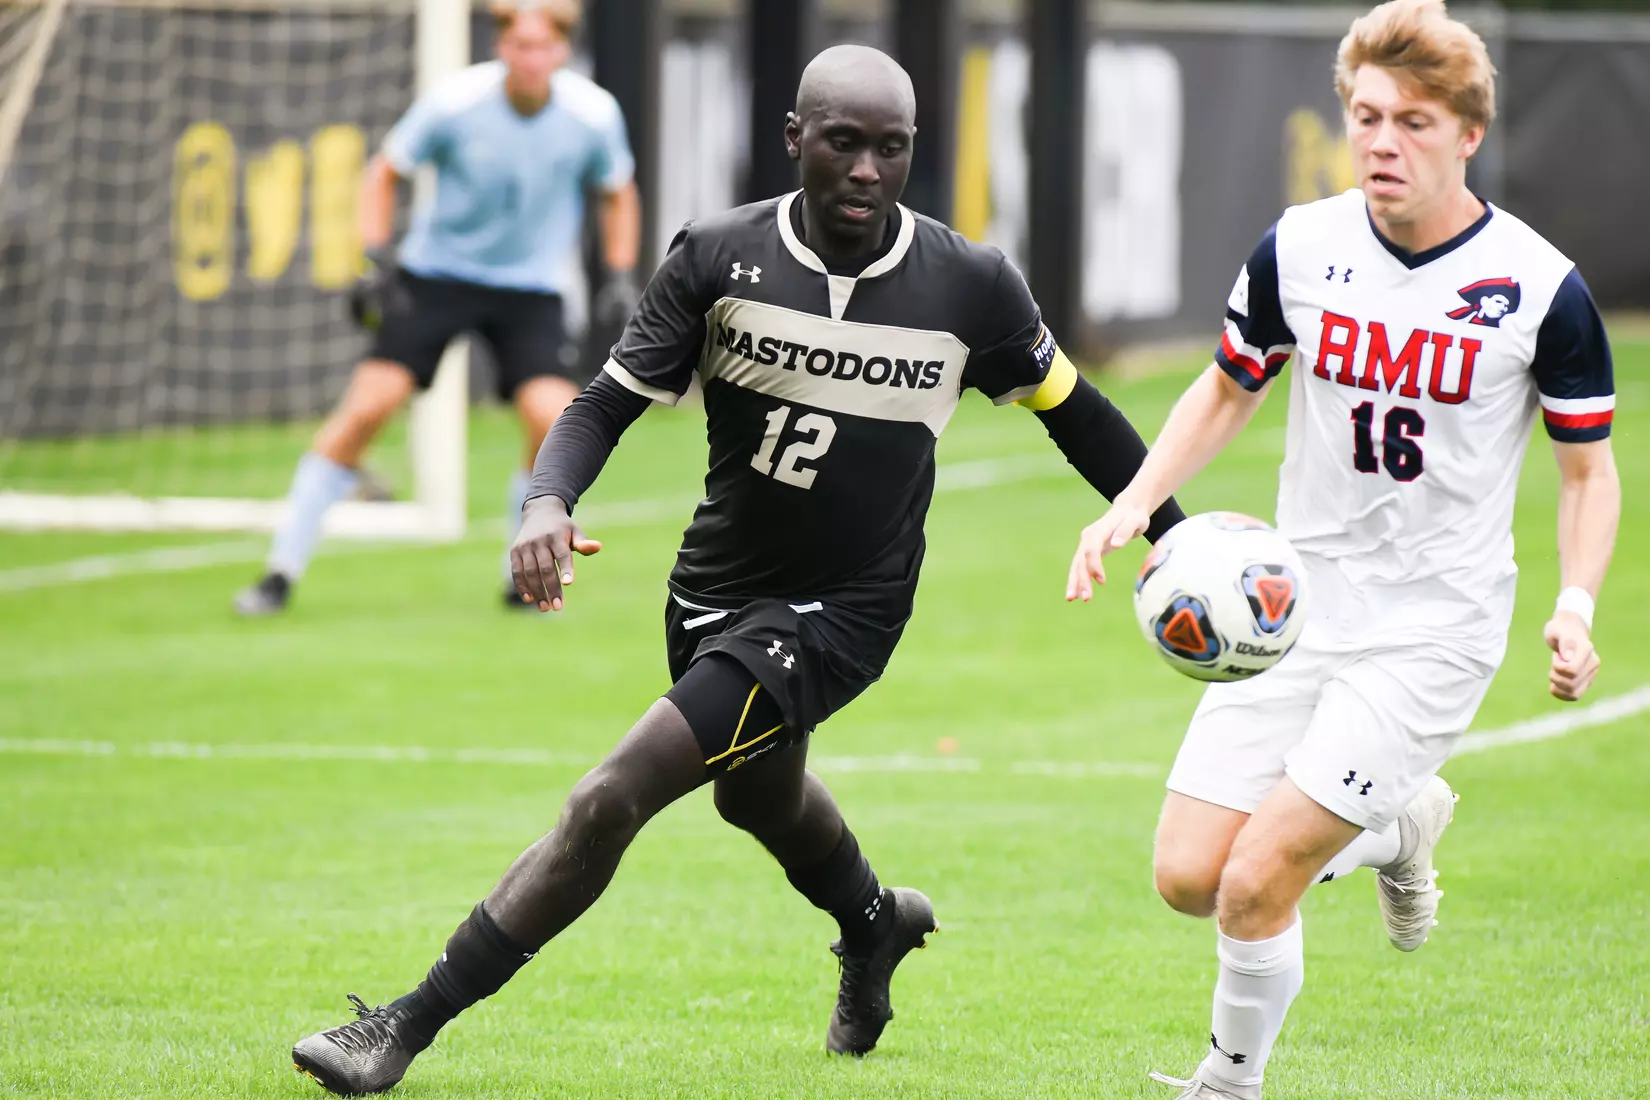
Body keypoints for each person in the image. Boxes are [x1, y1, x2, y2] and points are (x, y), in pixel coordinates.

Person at [288, 43, 1185, 1095]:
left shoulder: (971, 284)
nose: (868, 170)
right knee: (758, 798)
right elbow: (602, 404)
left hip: (843, 613)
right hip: (711, 589)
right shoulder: (718, 257)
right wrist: (546, 500)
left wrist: (1170, 529)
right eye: (842, 143)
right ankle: (874, 921)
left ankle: (401, 1025)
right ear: (794, 137)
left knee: (608, 799)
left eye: (892, 148)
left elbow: (1080, 415)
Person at [1065, 2, 1620, 1096]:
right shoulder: (1301, 247)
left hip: (1434, 629)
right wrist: (1135, 500)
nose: (1381, 141)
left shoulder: (1541, 288)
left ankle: (1228, 1083)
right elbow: (1229, 387)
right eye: (1366, 116)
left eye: (1413, 121)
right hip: (1297, 610)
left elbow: (1586, 471)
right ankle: (1399, 823)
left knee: (1256, 880)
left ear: (1469, 133)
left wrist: (1576, 604)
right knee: (1189, 876)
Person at [235, 0, 641, 616]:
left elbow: (618, 192)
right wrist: (374, 259)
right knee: (368, 408)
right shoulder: (456, 102)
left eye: (543, 46)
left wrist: (619, 273)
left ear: (562, 51)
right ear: (501, 47)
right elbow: (384, 172)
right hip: (436, 277)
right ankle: (279, 573)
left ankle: (519, 572)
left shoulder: (593, 114)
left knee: (552, 420)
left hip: (530, 288)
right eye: (520, 45)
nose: (531, 58)